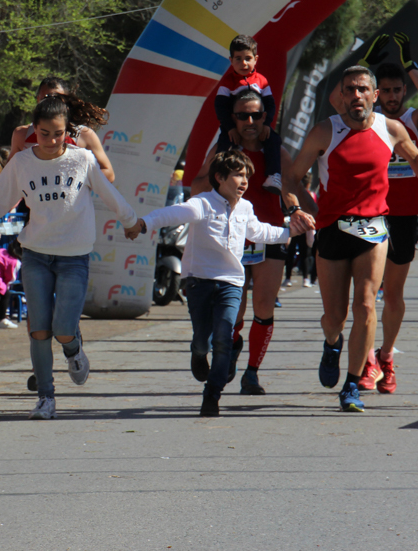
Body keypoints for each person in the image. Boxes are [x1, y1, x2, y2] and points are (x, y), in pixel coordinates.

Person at [0, 94, 138, 420]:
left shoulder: (82, 159)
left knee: (63, 329)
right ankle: (45, 397)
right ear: (33, 132)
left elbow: (111, 195)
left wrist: (131, 221)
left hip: (73, 257)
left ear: (68, 132)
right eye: (44, 133)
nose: (51, 141)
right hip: (36, 255)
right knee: (39, 328)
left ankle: (73, 348)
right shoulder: (22, 163)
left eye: (58, 134)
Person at [284, 65, 418, 412]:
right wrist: (296, 208)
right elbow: (292, 178)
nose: (357, 95)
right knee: (335, 317)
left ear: (374, 95)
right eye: (350, 89)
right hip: (332, 227)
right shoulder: (324, 132)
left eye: (363, 89)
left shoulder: (390, 129)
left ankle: (352, 384)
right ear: (341, 96)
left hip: (374, 228)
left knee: (365, 304)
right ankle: (332, 343)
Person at [127, 149, 310, 416]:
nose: (244, 181)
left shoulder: (246, 207)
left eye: (247, 175)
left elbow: (259, 231)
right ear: (220, 178)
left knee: (224, 337)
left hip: (232, 283)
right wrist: (143, 223)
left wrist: (290, 231)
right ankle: (197, 352)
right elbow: (172, 214)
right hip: (199, 282)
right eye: (238, 175)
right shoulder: (202, 203)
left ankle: (212, 396)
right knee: (203, 340)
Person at [188, 90, 313, 396]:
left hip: (268, 233)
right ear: (233, 118)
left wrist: (300, 211)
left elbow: (291, 186)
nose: (250, 121)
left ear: (265, 117)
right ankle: (229, 351)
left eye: (256, 115)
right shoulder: (223, 149)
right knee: (237, 310)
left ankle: (252, 374)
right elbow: (195, 187)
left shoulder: (276, 150)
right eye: (243, 115)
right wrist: (221, 172)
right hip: (233, 238)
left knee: (265, 307)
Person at [356, 34, 418, 393]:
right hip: (369, 215)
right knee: (365, 295)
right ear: (376, 93)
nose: (392, 97)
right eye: (385, 91)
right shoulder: (366, 120)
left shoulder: (415, 121)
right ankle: (366, 362)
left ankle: (386, 355)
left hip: (404, 218)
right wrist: (364, 61)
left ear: (404, 92)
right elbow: (336, 96)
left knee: (392, 295)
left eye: (397, 90)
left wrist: (410, 65)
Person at [9, 76, 114, 181]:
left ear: (67, 101)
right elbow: (9, 174)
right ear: (38, 100)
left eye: (57, 99)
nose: (52, 103)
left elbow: (108, 172)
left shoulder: (84, 135)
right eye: (46, 98)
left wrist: (75, 181)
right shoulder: (22, 134)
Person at [213, 35, 282, 192]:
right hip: (233, 127)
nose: (243, 63)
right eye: (238, 59)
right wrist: (230, 128)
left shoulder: (262, 81)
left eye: (247, 58)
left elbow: (270, 104)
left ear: (255, 59)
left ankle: (273, 176)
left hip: (259, 126)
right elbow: (220, 107)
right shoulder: (228, 81)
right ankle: (217, 176)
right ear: (231, 60)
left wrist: (266, 124)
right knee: (224, 144)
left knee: (274, 140)